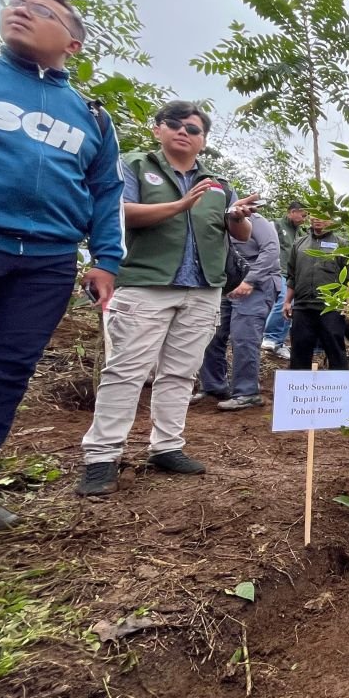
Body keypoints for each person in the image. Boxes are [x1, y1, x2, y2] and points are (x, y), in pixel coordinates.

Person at [0, 0, 125, 531]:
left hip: (47, 259)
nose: (19, 12)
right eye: (14, 4)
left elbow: (106, 193)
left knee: (5, 371)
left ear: (73, 42)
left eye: (40, 11)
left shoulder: (90, 116)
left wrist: (106, 259)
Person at [78, 101, 259, 496]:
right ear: (157, 129)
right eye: (174, 124)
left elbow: (240, 236)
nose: (184, 132)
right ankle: (102, 456)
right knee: (126, 371)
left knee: (179, 373)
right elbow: (116, 213)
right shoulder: (134, 166)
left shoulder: (217, 184)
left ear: (203, 140)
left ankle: (167, 446)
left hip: (202, 289)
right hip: (145, 284)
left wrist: (235, 216)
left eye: (194, 129)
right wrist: (179, 205)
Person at [196, 211, 281, 409]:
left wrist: (250, 280)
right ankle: (213, 385)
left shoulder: (256, 221)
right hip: (226, 283)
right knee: (211, 333)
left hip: (257, 285)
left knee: (243, 336)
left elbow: (271, 251)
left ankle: (247, 392)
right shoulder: (213, 218)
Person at [282, 215, 349, 372]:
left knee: (336, 351)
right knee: (299, 352)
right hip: (302, 308)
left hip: (331, 309)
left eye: (323, 215)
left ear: (332, 220)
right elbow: (292, 276)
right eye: (314, 215)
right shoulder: (299, 244)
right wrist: (287, 302)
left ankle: (338, 392)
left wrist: (348, 306)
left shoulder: (341, 245)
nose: (317, 219)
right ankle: (299, 392)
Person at [262, 201, 306, 359]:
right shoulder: (276, 225)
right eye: (303, 215)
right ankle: (270, 337)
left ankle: (279, 343)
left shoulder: (300, 233)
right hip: (277, 271)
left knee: (292, 307)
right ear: (292, 212)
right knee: (283, 301)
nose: (304, 219)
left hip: (293, 275)